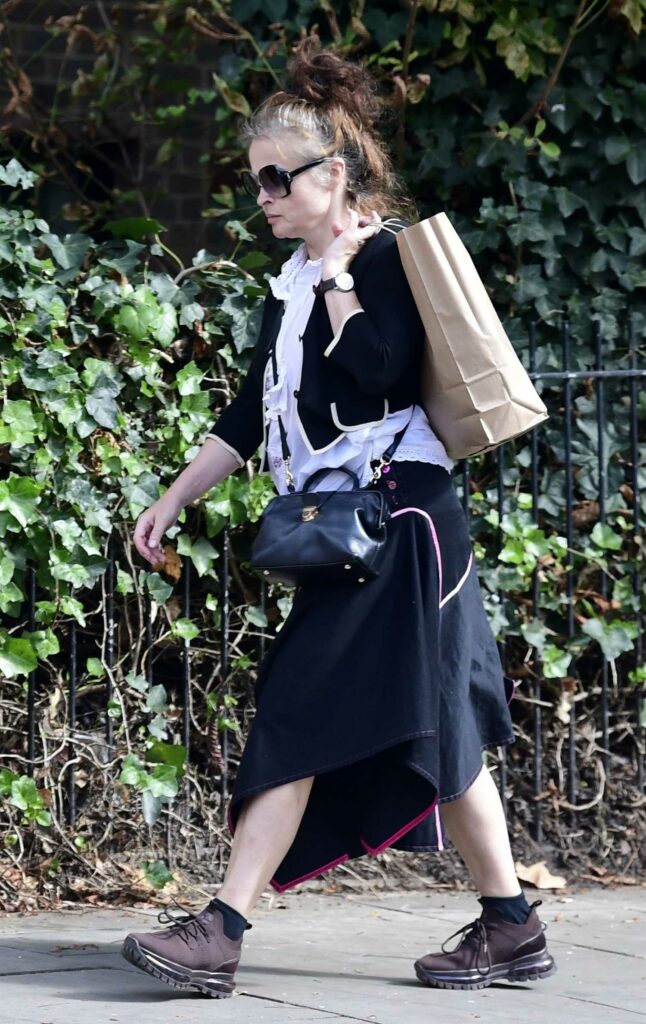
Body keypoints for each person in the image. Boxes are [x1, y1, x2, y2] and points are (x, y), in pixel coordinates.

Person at [122, 35, 556, 998]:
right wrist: (173, 496)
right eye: (258, 180)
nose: (266, 194)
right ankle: (511, 925)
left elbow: (382, 373)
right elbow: (249, 413)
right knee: (441, 730)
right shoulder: (286, 289)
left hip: (406, 524)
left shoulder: (388, 257)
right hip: (364, 528)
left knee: (297, 707)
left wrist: (344, 281)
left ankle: (223, 927)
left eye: (281, 177)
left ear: (338, 173)